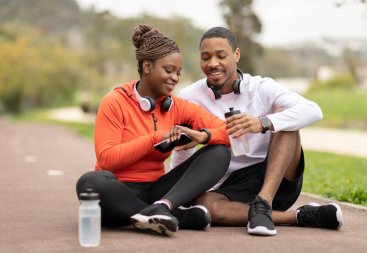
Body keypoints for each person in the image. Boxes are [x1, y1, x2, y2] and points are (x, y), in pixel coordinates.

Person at [170, 27, 343, 236]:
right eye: (206, 57)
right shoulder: (190, 96)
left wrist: (263, 122)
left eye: (221, 55)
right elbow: (183, 149)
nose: (213, 63)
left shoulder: (262, 88)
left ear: (236, 55)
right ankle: (300, 216)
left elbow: (314, 111)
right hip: (231, 186)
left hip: (275, 177)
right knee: (207, 205)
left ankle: (264, 202)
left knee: (285, 122)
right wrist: (175, 197)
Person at [76, 24, 232, 237]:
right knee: (90, 183)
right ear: (147, 67)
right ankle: (176, 216)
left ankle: (163, 207)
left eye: (178, 73)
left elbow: (227, 130)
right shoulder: (115, 101)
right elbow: (106, 159)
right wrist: (156, 138)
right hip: (119, 190)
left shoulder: (177, 106)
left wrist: (204, 136)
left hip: (158, 190)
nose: (175, 78)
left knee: (220, 151)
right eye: (169, 70)